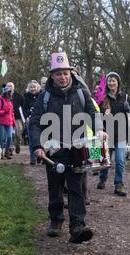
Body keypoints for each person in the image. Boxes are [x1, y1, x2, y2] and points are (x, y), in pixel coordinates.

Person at [29, 51, 107, 243]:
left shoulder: (81, 92)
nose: (62, 77)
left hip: (78, 147)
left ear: (71, 72)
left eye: (65, 73)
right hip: (53, 148)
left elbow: (93, 112)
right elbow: (35, 123)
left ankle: (77, 226)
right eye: (58, 74)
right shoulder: (44, 96)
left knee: (76, 187)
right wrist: (38, 145)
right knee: (55, 186)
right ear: (52, 76)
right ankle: (56, 220)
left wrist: (99, 129)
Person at [96, 72, 130, 196]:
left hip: (121, 134)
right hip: (107, 135)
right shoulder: (103, 98)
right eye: (109, 81)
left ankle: (119, 184)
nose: (111, 83)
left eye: (113, 81)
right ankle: (102, 178)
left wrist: (128, 108)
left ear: (118, 82)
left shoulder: (125, 97)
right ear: (106, 83)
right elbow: (97, 115)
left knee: (120, 160)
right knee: (105, 160)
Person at [0, 85, 15, 160]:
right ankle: (1, 154)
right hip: (1, 123)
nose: (9, 94)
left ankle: (6, 152)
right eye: (7, 93)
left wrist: (13, 122)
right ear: (4, 93)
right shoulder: (0, 101)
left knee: (9, 137)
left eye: (10, 93)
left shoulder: (10, 102)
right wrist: (4, 111)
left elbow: (12, 113)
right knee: (2, 139)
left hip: (9, 123)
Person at [24, 80, 42, 165]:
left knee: (42, 138)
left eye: (34, 87)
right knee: (31, 139)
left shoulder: (42, 96)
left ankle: (41, 156)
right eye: (31, 87)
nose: (33, 89)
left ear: (37, 87)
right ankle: (33, 157)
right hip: (30, 119)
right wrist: (27, 116)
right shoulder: (26, 97)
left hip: (40, 119)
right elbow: (24, 109)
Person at [10, 82, 25, 154]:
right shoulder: (4, 95)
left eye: (11, 86)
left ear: (13, 87)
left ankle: (17, 144)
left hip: (17, 118)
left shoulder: (18, 96)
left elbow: (24, 106)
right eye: (8, 86)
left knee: (18, 134)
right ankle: (10, 149)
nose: (9, 87)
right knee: (10, 134)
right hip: (8, 118)